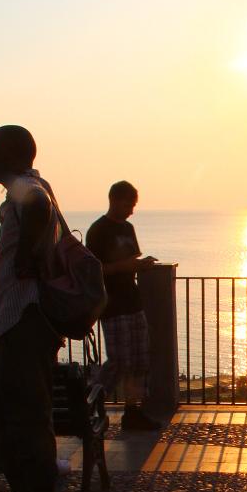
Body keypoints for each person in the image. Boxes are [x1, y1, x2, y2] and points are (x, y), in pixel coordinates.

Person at [0, 125, 64, 492]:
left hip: (23, 325)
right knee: (11, 427)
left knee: (25, 428)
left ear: (12, 156)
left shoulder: (27, 188)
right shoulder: (25, 190)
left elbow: (39, 206)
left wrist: (28, 254)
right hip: (19, 327)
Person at [86, 182, 157, 430]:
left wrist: (139, 265)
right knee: (119, 360)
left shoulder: (128, 228)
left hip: (132, 301)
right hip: (113, 304)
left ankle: (133, 411)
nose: (131, 211)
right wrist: (126, 267)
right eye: (128, 204)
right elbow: (94, 270)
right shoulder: (98, 231)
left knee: (139, 360)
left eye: (133, 205)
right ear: (114, 200)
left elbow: (131, 260)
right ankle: (90, 399)